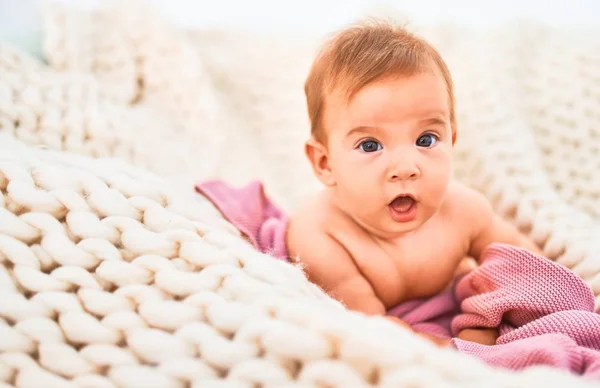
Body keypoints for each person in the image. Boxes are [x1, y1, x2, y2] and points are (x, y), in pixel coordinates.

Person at [284, 20, 542, 346]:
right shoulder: (322, 236)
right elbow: (369, 329)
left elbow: (529, 267)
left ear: (452, 139)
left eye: (426, 139)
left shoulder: (464, 210)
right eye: (370, 145)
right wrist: (460, 352)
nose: (406, 169)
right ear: (325, 163)